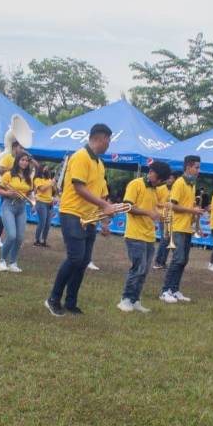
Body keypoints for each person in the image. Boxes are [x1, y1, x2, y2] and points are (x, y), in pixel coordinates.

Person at [45, 124, 123, 316]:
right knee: (75, 257)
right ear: (100, 138)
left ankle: (71, 302)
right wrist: (104, 206)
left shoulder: (99, 163)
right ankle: (53, 298)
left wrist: (104, 220)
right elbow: (79, 187)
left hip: (90, 217)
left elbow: (102, 195)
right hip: (72, 213)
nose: (109, 144)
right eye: (109, 140)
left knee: (84, 260)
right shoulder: (80, 156)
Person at [118, 162, 170, 313]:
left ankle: (135, 300)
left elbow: (156, 208)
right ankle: (125, 299)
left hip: (149, 235)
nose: (159, 182)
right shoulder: (136, 184)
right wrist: (148, 213)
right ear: (152, 173)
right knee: (137, 268)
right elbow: (127, 207)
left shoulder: (156, 190)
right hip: (134, 234)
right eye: (159, 179)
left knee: (144, 270)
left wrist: (160, 215)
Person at [160, 155, 205, 304]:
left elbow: (189, 207)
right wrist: (193, 211)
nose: (199, 170)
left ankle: (174, 289)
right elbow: (173, 206)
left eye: (199, 167)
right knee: (178, 259)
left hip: (186, 227)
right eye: (197, 167)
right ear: (188, 167)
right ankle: (165, 291)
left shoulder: (192, 184)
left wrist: (197, 224)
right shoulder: (180, 183)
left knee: (183, 260)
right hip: (177, 226)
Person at [0, 153, 35, 272]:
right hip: (8, 206)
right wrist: (9, 193)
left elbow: (30, 193)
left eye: (26, 160)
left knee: (19, 238)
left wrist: (33, 202)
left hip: (22, 208)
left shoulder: (29, 178)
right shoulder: (8, 175)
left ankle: (13, 262)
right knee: (12, 235)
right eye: (22, 160)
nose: (24, 162)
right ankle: (2, 260)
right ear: (17, 161)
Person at [0, 141, 24, 248]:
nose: (22, 150)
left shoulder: (19, 159)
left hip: (14, 190)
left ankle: (7, 238)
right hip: (6, 189)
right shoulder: (8, 157)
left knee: (12, 216)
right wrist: (14, 168)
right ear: (14, 147)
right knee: (4, 215)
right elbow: (0, 169)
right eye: (20, 147)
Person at [152, 174, 176, 270]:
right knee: (165, 239)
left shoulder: (175, 189)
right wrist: (165, 204)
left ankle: (162, 262)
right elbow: (155, 202)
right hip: (162, 216)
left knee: (169, 240)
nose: (170, 180)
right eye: (168, 178)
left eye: (172, 178)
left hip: (172, 218)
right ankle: (158, 262)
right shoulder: (160, 188)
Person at [32, 165, 55, 246]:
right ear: (41, 169)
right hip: (41, 203)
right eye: (45, 168)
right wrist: (50, 183)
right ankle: (36, 240)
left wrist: (54, 185)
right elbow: (42, 189)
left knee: (48, 224)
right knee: (42, 222)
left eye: (47, 169)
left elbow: (52, 191)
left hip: (49, 204)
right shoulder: (37, 179)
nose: (47, 170)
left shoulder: (49, 180)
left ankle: (43, 240)